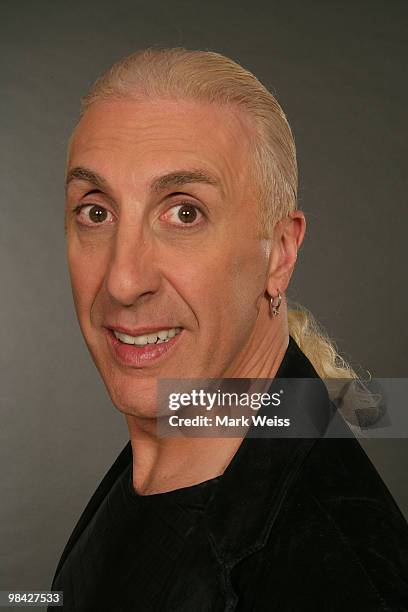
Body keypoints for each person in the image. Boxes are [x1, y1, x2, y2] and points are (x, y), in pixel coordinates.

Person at [49, 48, 408, 611]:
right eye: (97, 212)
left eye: (184, 212)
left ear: (279, 254)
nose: (122, 281)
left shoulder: (330, 575)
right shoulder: (169, 455)